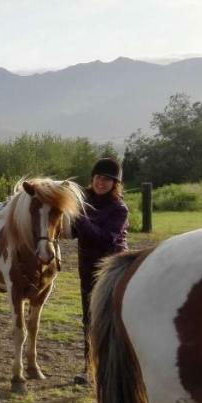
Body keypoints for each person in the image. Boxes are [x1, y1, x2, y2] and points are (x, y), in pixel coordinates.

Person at [72, 157, 129, 384]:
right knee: (88, 318)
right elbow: (72, 232)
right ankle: (89, 368)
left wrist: (80, 218)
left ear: (115, 183)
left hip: (111, 270)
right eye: (98, 177)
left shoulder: (119, 209)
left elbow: (105, 239)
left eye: (107, 179)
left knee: (111, 320)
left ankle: (115, 368)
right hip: (86, 269)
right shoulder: (84, 202)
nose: (101, 182)